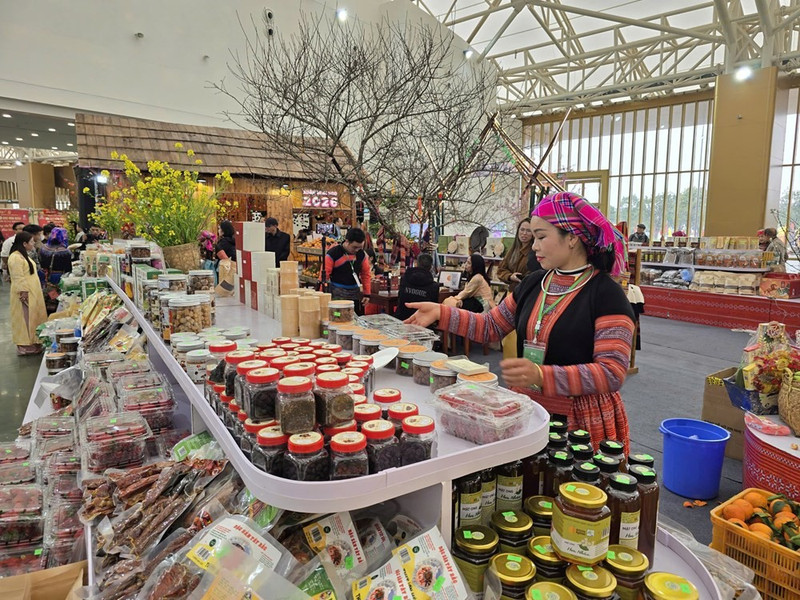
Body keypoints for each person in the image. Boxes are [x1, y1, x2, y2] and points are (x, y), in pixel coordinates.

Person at [405, 191, 635, 451]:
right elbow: (491, 326)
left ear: (572, 237)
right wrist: (441, 312)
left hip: (579, 422)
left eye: (541, 237)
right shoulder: (534, 282)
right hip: (529, 410)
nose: (534, 246)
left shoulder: (606, 294)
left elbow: (612, 371)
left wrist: (541, 374)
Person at [8, 232, 47, 355]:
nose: (33, 243)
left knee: (33, 317)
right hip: (24, 294)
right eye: (31, 242)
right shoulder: (15, 257)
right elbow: (18, 277)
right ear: (24, 244)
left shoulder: (23, 255)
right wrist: (23, 292)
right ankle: (26, 346)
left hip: (32, 292)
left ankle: (34, 342)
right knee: (25, 319)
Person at [324, 227, 371, 312]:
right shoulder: (333, 253)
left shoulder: (362, 255)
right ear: (347, 241)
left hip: (355, 295)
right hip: (337, 294)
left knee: (354, 319)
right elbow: (324, 275)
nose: (357, 250)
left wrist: (367, 294)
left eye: (360, 247)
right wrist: (321, 296)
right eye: (354, 247)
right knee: (337, 316)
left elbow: (366, 274)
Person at [394, 253, 441, 321]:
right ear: (431, 267)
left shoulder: (404, 279)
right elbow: (433, 309)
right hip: (423, 323)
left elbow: (399, 298)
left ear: (416, 264)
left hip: (401, 319)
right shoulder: (434, 286)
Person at [497, 218, 534, 292]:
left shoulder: (535, 252)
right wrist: (510, 276)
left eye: (528, 231)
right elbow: (501, 270)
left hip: (526, 293)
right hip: (512, 293)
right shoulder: (513, 250)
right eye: (522, 229)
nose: (524, 233)